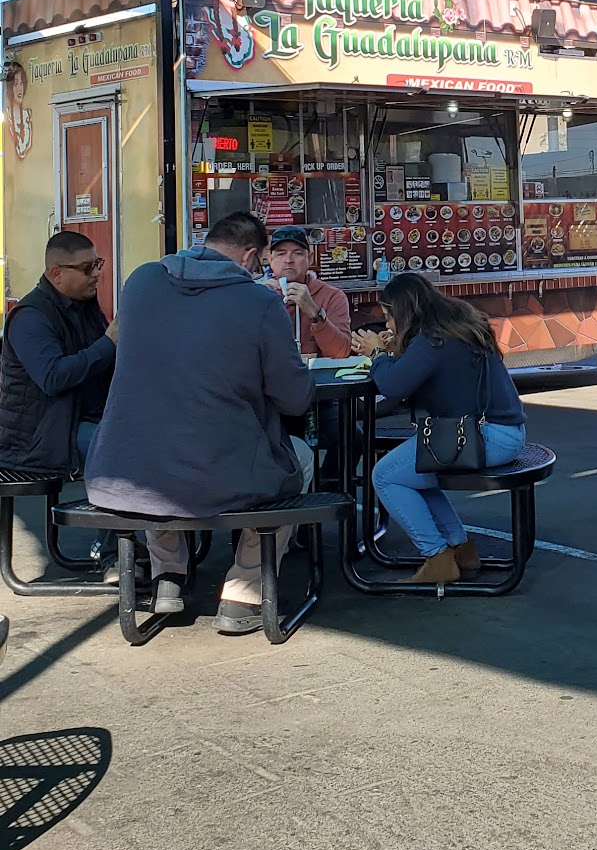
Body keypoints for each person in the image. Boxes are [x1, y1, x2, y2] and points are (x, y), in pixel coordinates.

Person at [85, 212, 320, 635]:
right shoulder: (260, 302)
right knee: (300, 458)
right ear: (251, 255)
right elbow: (295, 398)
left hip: (121, 470)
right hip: (216, 472)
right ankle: (243, 591)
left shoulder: (140, 283)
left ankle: (169, 578)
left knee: (154, 452)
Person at [352, 272, 525, 586]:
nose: (387, 324)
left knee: (385, 476)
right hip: (503, 432)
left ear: (403, 311)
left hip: (484, 437)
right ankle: (460, 550)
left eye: (389, 315)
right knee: (415, 472)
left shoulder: (432, 339)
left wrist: (377, 353)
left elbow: (394, 385)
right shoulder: (452, 325)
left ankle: (437, 557)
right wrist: (398, 351)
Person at [0, 231, 117, 480]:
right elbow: (53, 377)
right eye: (87, 268)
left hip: (82, 422)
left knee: (157, 437)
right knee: (128, 450)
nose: (97, 274)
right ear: (57, 273)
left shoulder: (84, 306)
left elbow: (105, 365)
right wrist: (109, 343)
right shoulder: (30, 317)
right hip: (41, 439)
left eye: (97, 264)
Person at [268, 223, 351, 481]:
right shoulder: (254, 295)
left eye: (297, 253)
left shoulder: (331, 296)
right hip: (270, 399)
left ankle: (324, 495)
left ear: (310, 258)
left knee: (350, 436)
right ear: (268, 259)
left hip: (318, 398)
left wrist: (314, 312)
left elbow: (341, 354)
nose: (289, 260)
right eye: (280, 253)